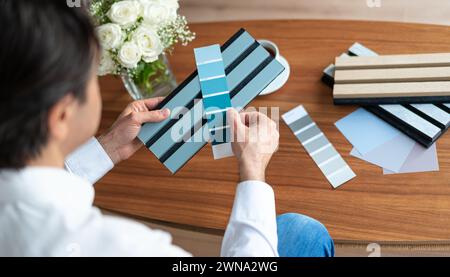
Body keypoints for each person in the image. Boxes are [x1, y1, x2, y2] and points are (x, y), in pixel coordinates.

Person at [0, 0, 334, 257]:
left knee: (297, 229)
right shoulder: (127, 246)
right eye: (91, 80)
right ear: (61, 116)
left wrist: (107, 149)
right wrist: (253, 171)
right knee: (306, 233)